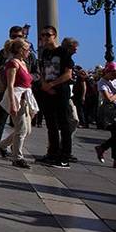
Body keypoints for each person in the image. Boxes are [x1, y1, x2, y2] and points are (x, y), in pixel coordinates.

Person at [0, 25, 35, 158]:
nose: (16, 38)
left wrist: (27, 79)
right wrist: (6, 69)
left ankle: (10, 145)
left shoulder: (29, 54)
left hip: (23, 93)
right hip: (5, 92)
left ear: (23, 36)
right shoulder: (3, 53)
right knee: (0, 121)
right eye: (13, 36)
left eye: (19, 36)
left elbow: (36, 72)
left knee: (23, 126)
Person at [0, 37, 38, 169]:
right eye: (27, 49)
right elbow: (10, 85)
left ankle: (3, 145)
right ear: (20, 50)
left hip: (26, 98)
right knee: (21, 129)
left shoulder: (24, 63)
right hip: (17, 98)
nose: (29, 52)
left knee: (27, 130)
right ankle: (17, 158)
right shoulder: (13, 63)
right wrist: (13, 104)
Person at [38, 27, 75, 167]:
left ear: (55, 36)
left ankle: (65, 156)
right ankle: (52, 153)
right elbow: (42, 71)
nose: (45, 37)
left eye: (48, 34)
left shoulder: (63, 52)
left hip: (61, 91)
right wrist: (44, 84)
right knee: (51, 124)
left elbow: (68, 74)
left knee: (63, 123)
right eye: (43, 35)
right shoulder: (45, 53)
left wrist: (52, 84)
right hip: (47, 92)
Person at [95, 62, 116, 170]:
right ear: (108, 72)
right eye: (113, 74)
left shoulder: (115, 80)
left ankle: (102, 148)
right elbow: (108, 99)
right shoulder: (102, 82)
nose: (115, 76)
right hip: (108, 111)